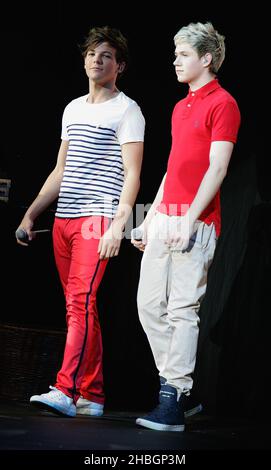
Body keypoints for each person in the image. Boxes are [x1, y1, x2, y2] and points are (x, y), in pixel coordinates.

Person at [16, 26, 145, 417]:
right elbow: (60, 169)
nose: (96, 60)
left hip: (97, 219)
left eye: (105, 55)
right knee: (81, 307)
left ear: (119, 65)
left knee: (80, 302)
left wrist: (117, 225)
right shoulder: (72, 108)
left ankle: (66, 389)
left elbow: (132, 174)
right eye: (92, 54)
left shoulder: (128, 110)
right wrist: (31, 212)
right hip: (64, 220)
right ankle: (93, 393)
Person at [131, 21, 241, 431]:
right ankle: (181, 390)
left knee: (181, 309)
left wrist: (190, 218)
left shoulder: (223, 103)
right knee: (147, 305)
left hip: (197, 221)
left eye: (183, 55)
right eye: (176, 54)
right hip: (165, 216)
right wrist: (149, 218)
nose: (175, 60)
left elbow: (218, 167)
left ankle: (172, 397)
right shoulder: (181, 107)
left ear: (206, 59)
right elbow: (173, 168)